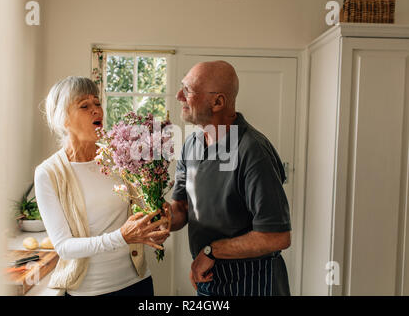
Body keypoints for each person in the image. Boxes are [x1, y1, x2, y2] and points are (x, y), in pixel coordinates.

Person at [164, 61, 292, 296]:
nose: (179, 95)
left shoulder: (253, 151)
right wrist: (159, 218)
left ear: (218, 102)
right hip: (208, 279)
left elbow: (277, 236)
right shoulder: (191, 144)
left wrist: (212, 251)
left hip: (254, 282)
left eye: (188, 90)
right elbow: (181, 208)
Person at [34, 76, 169, 296]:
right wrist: (122, 237)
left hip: (138, 282)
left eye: (97, 103)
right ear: (64, 119)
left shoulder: (118, 158)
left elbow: (139, 212)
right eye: (84, 106)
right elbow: (64, 247)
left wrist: (157, 222)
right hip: (91, 291)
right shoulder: (48, 173)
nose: (96, 110)